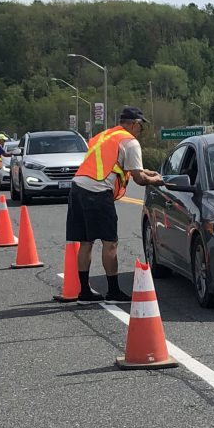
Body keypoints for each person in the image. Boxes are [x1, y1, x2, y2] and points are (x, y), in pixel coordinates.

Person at [66, 105, 164, 304]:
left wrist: (148, 172)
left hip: (77, 188)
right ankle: (113, 292)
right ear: (135, 124)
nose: (140, 131)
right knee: (110, 243)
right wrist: (157, 180)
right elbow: (138, 179)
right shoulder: (130, 142)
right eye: (141, 127)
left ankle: (84, 293)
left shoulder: (104, 136)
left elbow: (123, 166)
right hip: (98, 192)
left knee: (86, 242)